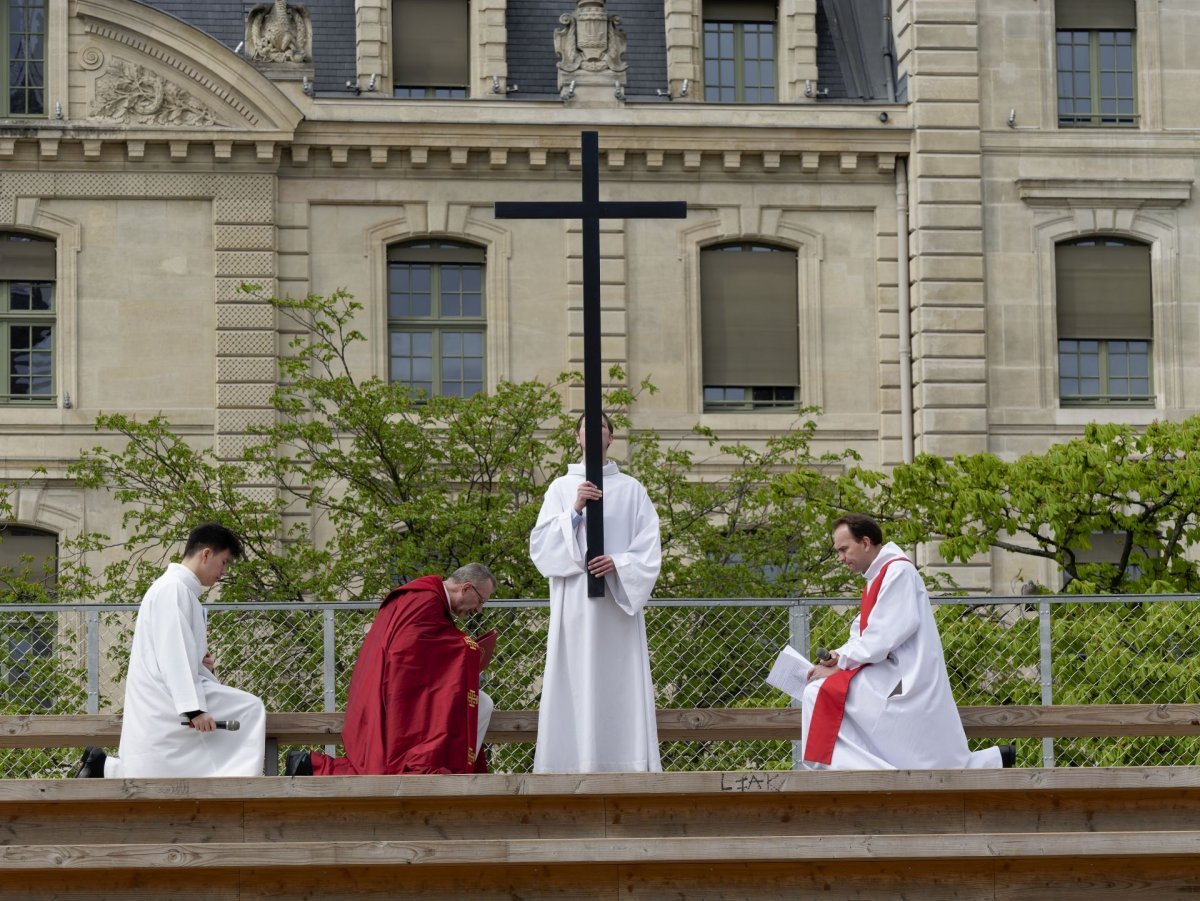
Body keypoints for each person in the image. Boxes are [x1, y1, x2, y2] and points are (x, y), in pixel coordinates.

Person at [799, 513, 1013, 770]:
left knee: (817, 692)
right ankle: (858, 770)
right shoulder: (878, 577)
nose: (841, 558)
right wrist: (837, 656)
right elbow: (863, 634)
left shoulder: (897, 572)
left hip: (903, 678)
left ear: (865, 543)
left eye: (844, 549)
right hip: (889, 673)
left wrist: (840, 662)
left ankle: (860, 773)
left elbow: (882, 638)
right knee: (820, 691)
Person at [76, 522, 266, 778]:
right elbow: (172, 652)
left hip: (168, 694)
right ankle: (242, 786)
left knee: (244, 712)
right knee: (250, 709)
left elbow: (174, 650)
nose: (223, 572)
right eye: (224, 562)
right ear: (206, 554)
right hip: (166, 698)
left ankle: (105, 768)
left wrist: (202, 666)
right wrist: (194, 709)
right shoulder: (173, 589)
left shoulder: (179, 590)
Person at [530, 412, 662, 773]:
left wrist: (618, 563)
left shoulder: (632, 490)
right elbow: (541, 548)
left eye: (600, 427)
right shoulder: (560, 488)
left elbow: (649, 551)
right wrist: (573, 511)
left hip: (616, 609)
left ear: (610, 438)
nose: (594, 432)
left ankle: (628, 763)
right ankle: (568, 764)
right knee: (574, 679)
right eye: (586, 427)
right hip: (575, 605)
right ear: (577, 438)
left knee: (618, 681)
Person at [287, 563, 498, 776]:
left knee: (382, 765)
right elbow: (405, 653)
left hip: (390, 685)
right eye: (481, 601)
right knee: (386, 767)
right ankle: (311, 766)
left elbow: (423, 652)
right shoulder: (426, 600)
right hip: (393, 690)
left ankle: (308, 765)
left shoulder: (426, 598)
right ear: (466, 587)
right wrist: (469, 649)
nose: (478, 610)